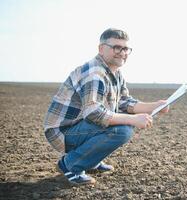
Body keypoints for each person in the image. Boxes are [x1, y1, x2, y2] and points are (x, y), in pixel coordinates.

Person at [44, 28, 169, 185]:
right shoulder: (95, 73)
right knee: (122, 130)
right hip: (63, 132)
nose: (122, 52)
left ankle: (90, 161)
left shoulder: (115, 73)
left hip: (80, 126)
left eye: (125, 49)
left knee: (123, 124)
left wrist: (154, 106)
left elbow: (124, 102)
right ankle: (70, 164)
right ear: (101, 49)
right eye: (116, 47)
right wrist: (133, 119)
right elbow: (93, 112)